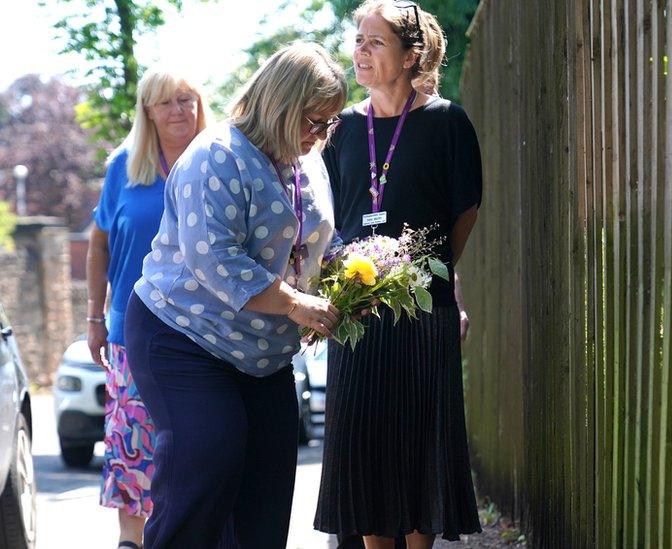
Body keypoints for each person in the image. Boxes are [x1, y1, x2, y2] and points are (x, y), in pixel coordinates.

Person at [122, 42, 348, 548]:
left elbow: (308, 244)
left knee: (266, 498)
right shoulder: (215, 156)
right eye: (315, 120)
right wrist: (296, 305)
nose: (322, 134)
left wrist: (344, 283)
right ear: (282, 104)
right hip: (182, 336)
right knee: (208, 463)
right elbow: (215, 261)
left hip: (262, 353)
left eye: (330, 123)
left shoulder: (305, 160)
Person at [315, 1, 484, 547]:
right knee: (364, 448)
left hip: (422, 313)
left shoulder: (446, 123)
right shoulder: (341, 128)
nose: (360, 52)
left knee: (418, 451)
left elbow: (464, 209)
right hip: (357, 319)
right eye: (358, 40)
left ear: (412, 56)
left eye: (375, 42)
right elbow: (332, 220)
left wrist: (430, 278)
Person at [85, 67, 210, 549]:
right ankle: (132, 542)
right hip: (131, 333)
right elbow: (99, 243)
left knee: (195, 446)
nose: (178, 111)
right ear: (147, 112)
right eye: (165, 103)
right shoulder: (124, 166)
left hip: (204, 332)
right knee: (133, 446)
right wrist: (94, 316)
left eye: (186, 99)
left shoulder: (215, 161)